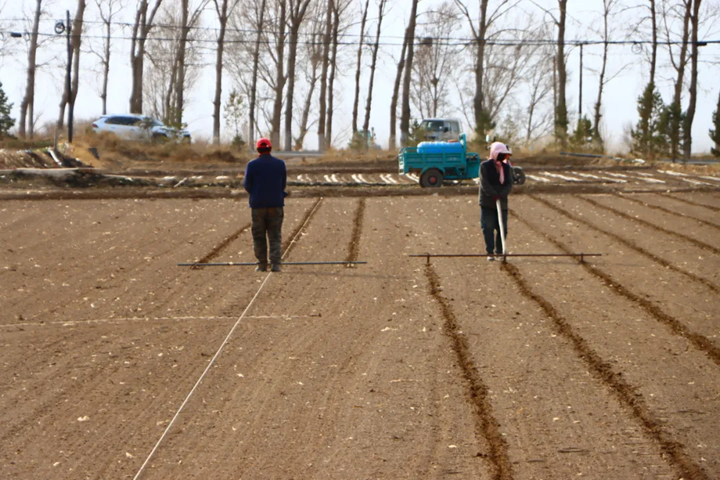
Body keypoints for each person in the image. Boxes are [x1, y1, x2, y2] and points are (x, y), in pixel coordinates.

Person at [243, 138, 288, 272]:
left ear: (258, 150)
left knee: (259, 236)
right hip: (276, 204)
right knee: (275, 235)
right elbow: (283, 184)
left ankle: (261, 265)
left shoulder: (252, 165)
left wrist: (256, 195)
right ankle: (275, 264)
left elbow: (247, 185)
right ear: (270, 149)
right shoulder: (280, 164)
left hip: (258, 205)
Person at [479, 142, 513, 261]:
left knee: (502, 227)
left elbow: (509, 183)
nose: (502, 157)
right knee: (488, 227)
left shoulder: (507, 168)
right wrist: (493, 194)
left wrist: (502, 194)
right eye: (501, 154)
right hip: (487, 202)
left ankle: (500, 251)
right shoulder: (485, 166)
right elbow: (484, 183)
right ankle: (490, 252)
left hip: (502, 202)